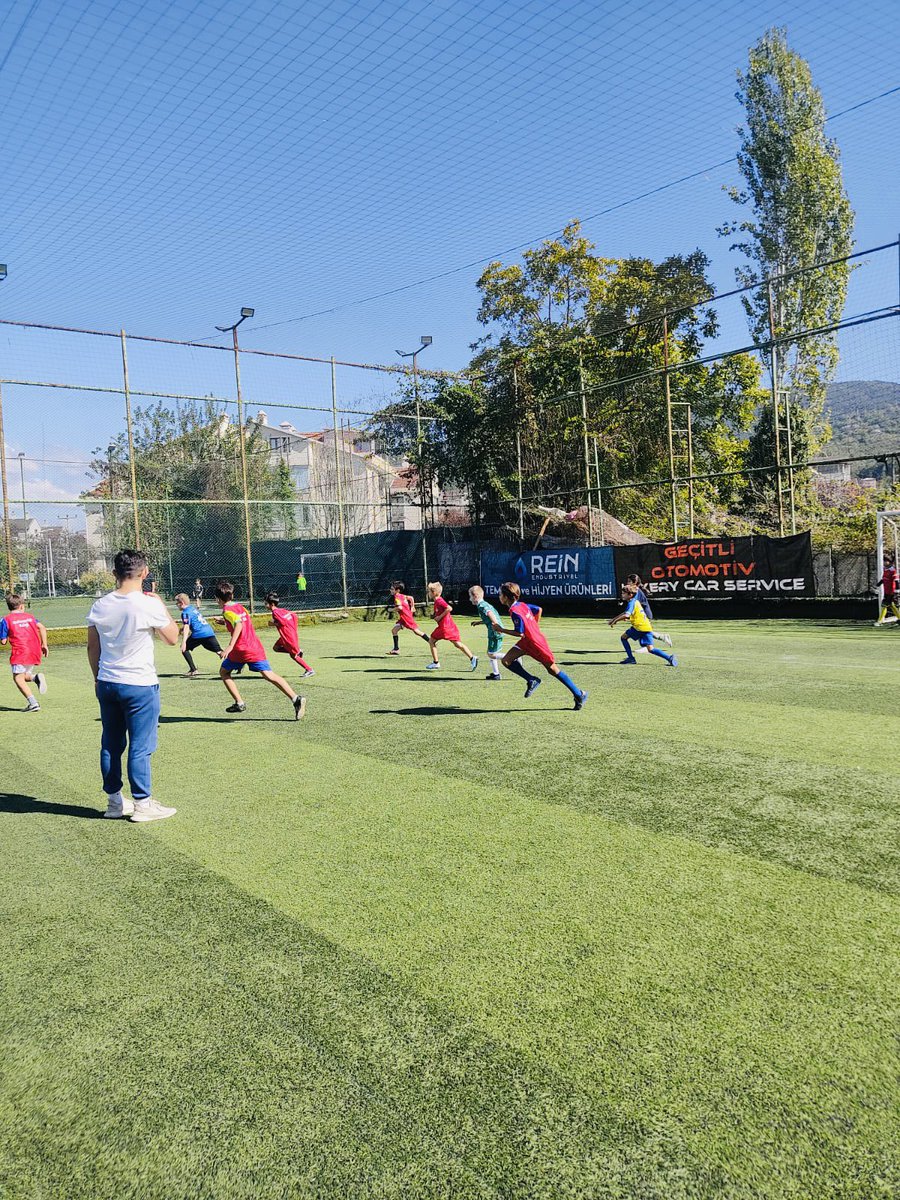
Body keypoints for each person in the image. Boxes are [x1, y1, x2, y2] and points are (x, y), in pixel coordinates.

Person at [87, 548, 180, 821]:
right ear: (144, 573)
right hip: (139, 685)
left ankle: (115, 803)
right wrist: (161, 603)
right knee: (141, 745)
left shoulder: (100, 604)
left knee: (111, 744)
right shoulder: (148, 604)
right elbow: (172, 638)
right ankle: (143, 804)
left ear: (114, 574)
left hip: (107, 682)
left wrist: (97, 677)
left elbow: (93, 647)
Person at [215, 580, 306, 718]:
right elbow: (243, 621)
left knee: (224, 672)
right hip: (255, 647)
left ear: (217, 599)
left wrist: (230, 646)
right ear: (232, 596)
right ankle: (296, 699)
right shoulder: (241, 607)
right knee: (269, 675)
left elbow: (238, 624)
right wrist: (224, 622)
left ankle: (239, 703)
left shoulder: (226, 610)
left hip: (241, 649)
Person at [494, 582, 587, 709]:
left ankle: (579, 694)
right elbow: (538, 609)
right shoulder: (521, 605)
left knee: (552, 669)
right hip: (527, 641)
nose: (499, 596)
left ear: (505, 597)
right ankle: (531, 680)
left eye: (500, 594)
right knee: (506, 661)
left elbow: (519, 633)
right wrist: (533, 627)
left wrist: (501, 629)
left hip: (536, 643)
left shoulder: (515, 611)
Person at [609, 583, 678, 667]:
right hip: (642, 627)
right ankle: (669, 658)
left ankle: (631, 658)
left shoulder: (631, 603)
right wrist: (614, 619)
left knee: (646, 647)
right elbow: (626, 614)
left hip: (641, 628)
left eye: (624, 593)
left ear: (630, 595)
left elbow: (626, 615)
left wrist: (614, 621)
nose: (622, 595)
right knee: (627, 639)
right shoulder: (635, 601)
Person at [0, 592, 49, 712]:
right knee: (23, 675)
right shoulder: (30, 617)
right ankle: (36, 678)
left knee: (18, 679)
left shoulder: (5, 620)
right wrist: (44, 645)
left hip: (20, 652)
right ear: (21, 606)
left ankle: (33, 703)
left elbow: (3, 641)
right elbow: (42, 627)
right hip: (34, 650)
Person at [425, 581, 477, 672]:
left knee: (431, 640)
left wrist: (439, 617)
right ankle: (472, 658)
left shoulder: (439, 600)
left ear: (433, 592)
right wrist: (434, 616)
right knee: (458, 644)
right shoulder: (437, 601)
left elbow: (449, 608)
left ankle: (436, 663)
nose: (428, 593)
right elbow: (441, 611)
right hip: (448, 626)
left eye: (429, 591)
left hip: (445, 628)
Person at [264, 591, 315, 677]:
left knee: (294, 656)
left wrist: (272, 623)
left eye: (266, 603)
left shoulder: (275, 613)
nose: (265, 605)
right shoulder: (282, 610)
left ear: (272, 604)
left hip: (288, 637)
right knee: (276, 648)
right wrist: (293, 629)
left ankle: (309, 670)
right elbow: (294, 615)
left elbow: (282, 622)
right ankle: (298, 651)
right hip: (287, 635)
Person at [175, 592, 223, 677]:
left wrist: (184, 642)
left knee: (184, 649)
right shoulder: (192, 608)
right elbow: (194, 621)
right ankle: (238, 663)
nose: (176, 605)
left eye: (177, 603)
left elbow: (187, 626)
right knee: (219, 652)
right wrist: (181, 629)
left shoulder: (185, 613)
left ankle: (193, 670)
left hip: (199, 634)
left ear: (181, 603)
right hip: (209, 632)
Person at [624, 574, 672, 647]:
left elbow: (634, 605)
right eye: (627, 581)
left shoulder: (635, 591)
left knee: (642, 630)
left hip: (645, 613)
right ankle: (662, 637)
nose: (627, 583)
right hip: (641, 614)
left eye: (629, 581)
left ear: (635, 582)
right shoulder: (633, 591)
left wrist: (627, 615)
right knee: (644, 630)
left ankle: (647, 647)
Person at [468, 584, 504, 680]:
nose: (470, 599)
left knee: (491, 654)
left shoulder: (481, 605)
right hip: (495, 631)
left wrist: (496, 625)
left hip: (495, 632)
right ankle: (496, 674)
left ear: (475, 596)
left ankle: (513, 658)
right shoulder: (485, 604)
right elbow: (487, 617)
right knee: (492, 652)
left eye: (470, 597)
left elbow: (490, 613)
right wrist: (479, 622)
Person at [386, 580, 430, 655]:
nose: (390, 590)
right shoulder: (402, 596)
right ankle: (396, 649)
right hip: (403, 618)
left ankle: (431, 641)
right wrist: (412, 606)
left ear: (397, 590)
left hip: (406, 618)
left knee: (417, 632)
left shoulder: (397, 597)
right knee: (394, 631)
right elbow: (411, 598)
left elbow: (399, 607)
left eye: (392, 589)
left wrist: (391, 610)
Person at [875, 557, 900, 625]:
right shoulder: (885, 570)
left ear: (890, 562)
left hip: (891, 591)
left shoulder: (893, 570)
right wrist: (878, 585)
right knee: (891, 605)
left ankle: (879, 621)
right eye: (884, 561)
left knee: (884, 605)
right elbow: (884, 579)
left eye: (886, 561)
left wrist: (897, 589)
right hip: (886, 591)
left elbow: (896, 580)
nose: (885, 563)